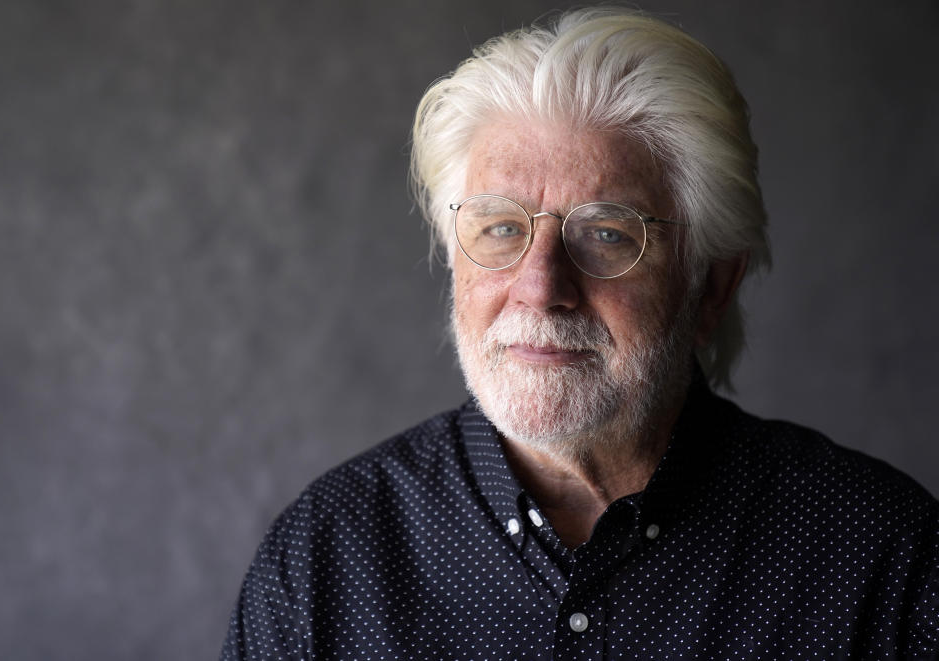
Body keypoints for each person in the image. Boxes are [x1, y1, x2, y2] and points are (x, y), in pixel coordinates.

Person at [221, 7, 939, 659]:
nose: (541, 287)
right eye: (500, 228)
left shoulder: (884, 558)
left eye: (605, 233)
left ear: (711, 285)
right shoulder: (322, 563)